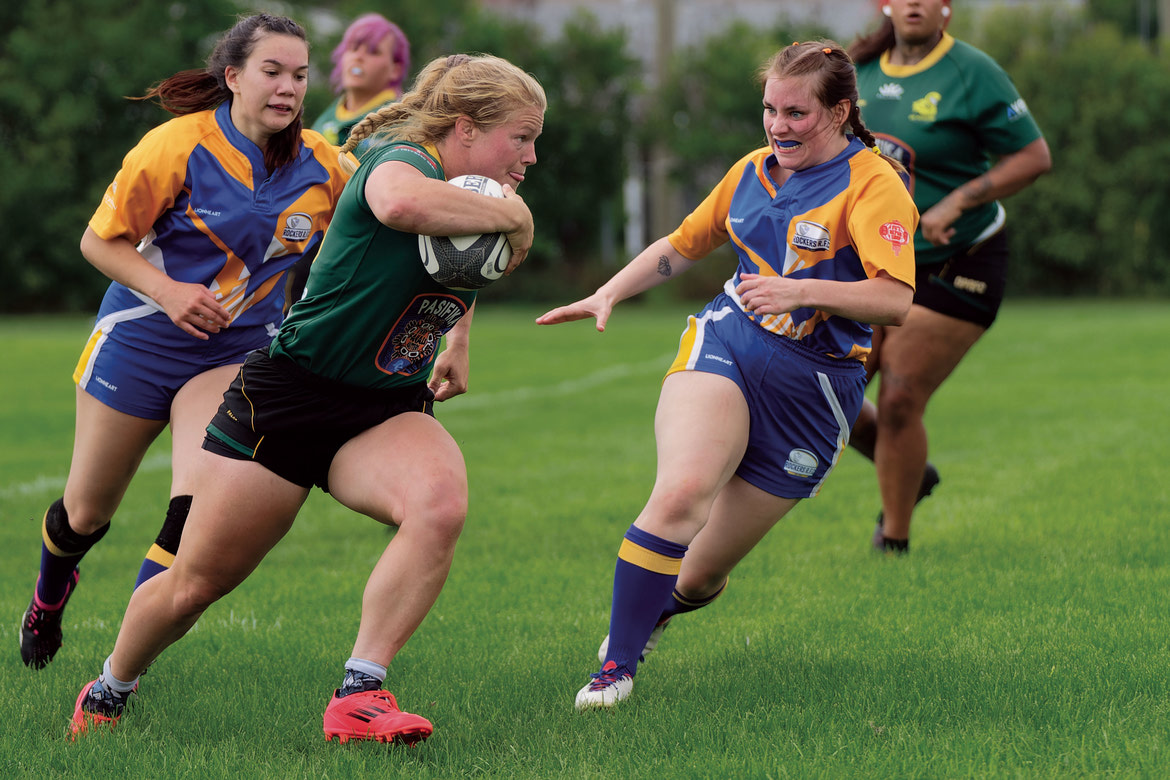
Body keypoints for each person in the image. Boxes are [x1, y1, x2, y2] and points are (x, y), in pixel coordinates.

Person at [68, 53, 546, 745]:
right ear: (466, 128)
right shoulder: (400, 157)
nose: (530, 157)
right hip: (289, 398)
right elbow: (399, 205)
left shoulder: (477, 192)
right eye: (521, 138)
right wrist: (516, 218)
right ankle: (111, 686)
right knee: (195, 584)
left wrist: (459, 336)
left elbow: (458, 263)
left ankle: (359, 693)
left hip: (383, 405)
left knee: (439, 503)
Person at [537, 40, 918, 710]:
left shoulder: (873, 183)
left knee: (699, 577)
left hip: (816, 391)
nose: (778, 126)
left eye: (796, 113)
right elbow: (683, 245)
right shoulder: (750, 172)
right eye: (770, 109)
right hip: (729, 343)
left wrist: (801, 292)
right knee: (682, 493)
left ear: (839, 112)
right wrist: (609, 292)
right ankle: (616, 668)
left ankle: (658, 609)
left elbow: (895, 300)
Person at [19, 13, 352, 671]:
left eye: (300, 75)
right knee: (85, 513)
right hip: (140, 343)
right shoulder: (176, 146)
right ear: (233, 77)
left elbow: (380, 220)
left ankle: (119, 669)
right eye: (272, 71)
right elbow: (97, 241)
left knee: (194, 510)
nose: (289, 87)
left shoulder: (326, 165)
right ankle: (48, 598)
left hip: (232, 352)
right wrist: (170, 293)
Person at [848, 0, 1051, 553]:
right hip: (880, 260)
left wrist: (958, 201)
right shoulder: (857, 73)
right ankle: (913, 473)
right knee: (830, 391)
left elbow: (1033, 156)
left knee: (898, 398)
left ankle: (893, 542)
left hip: (962, 259)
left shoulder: (973, 72)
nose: (914, 3)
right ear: (885, 5)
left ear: (946, 8)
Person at [311, 12, 410, 153]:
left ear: (395, 70)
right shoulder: (327, 117)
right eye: (354, 48)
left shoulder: (401, 123)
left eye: (373, 52)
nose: (358, 57)